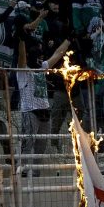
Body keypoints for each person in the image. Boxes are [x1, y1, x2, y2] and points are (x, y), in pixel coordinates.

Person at [16, 36, 71, 175]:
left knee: (41, 146)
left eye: (42, 58)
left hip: (45, 111)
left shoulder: (42, 67)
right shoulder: (23, 71)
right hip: (30, 111)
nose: (41, 60)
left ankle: (36, 173)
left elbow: (58, 54)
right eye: (38, 57)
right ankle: (22, 172)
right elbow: (21, 58)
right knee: (27, 143)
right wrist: (22, 39)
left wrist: (68, 39)